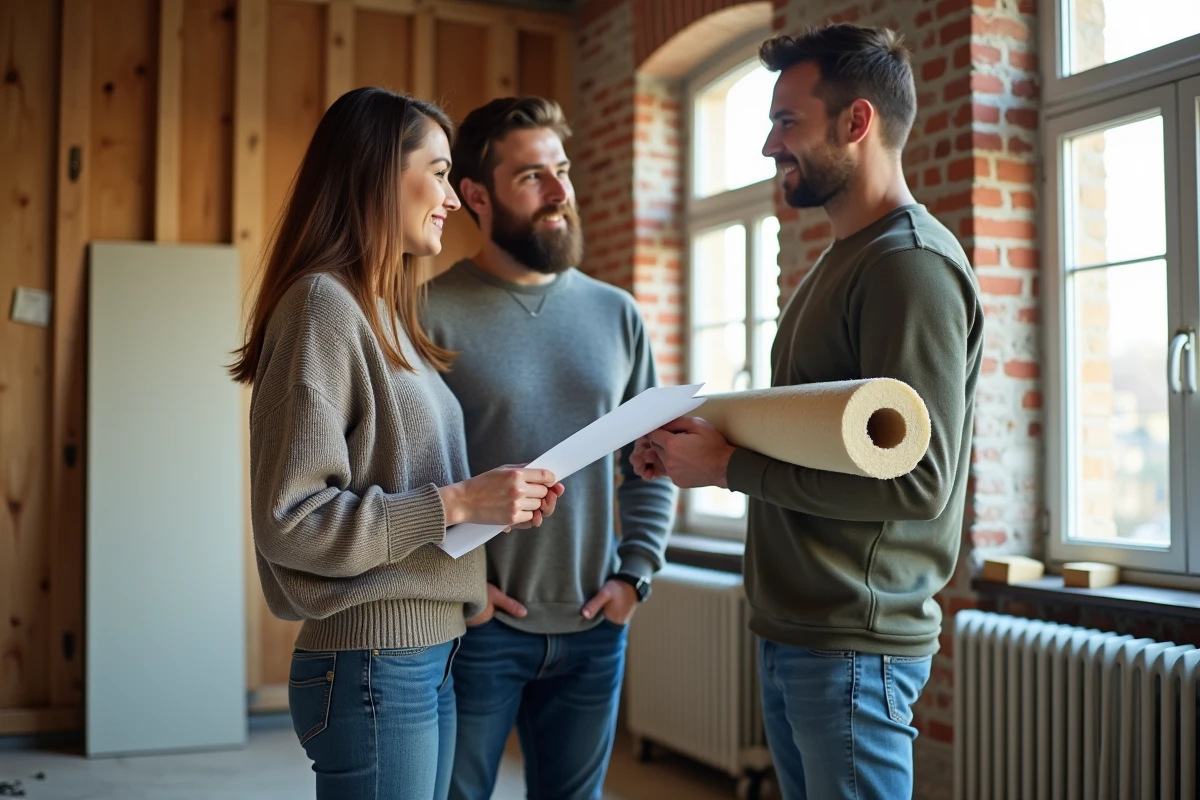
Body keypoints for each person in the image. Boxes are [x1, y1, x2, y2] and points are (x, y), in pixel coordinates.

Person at [633, 24, 985, 800]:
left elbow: (918, 482)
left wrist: (729, 468)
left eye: (786, 121)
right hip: (803, 633)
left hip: (854, 645)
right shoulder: (840, 259)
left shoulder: (909, 269)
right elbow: (824, 439)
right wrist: (704, 446)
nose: (768, 146)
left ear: (856, 123)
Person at [229, 87, 563, 800]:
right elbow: (293, 522)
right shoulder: (322, 305)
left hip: (424, 651)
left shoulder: (383, 313)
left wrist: (479, 536)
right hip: (373, 659)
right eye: (438, 173)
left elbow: (410, 489)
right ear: (380, 172)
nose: (450, 198)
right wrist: (461, 501)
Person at [421, 96, 677, 800]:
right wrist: (468, 597)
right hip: (479, 627)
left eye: (561, 170)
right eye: (534, 177)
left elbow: (651, 459)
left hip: (596, 622)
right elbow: (412, 472)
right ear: (476, 195)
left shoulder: (616, 313)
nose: (562, 192)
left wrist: (636, 576)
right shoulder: (428, 312)